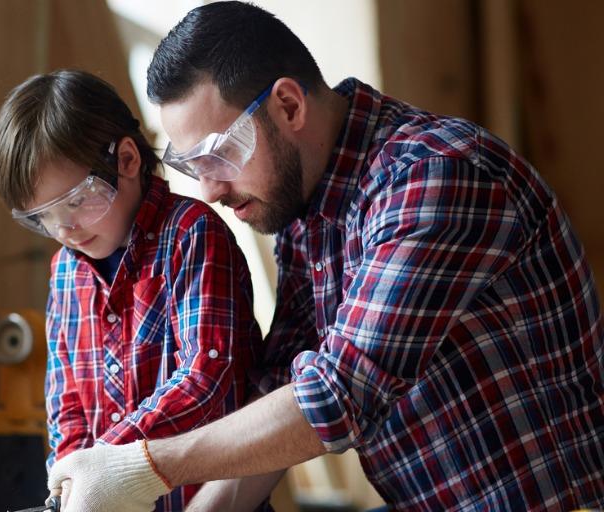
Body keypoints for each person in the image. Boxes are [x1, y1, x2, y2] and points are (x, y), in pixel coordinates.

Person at [46, 2, 604, 511]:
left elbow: (336, 398)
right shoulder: (307, 214)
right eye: (194, 168)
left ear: (288, 105)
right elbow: (279, 389)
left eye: (219, 155)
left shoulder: (433, 174)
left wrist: (143, 467)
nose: (210, 192)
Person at [0, 69, 266, 511]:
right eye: (42, 217)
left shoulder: (191, 235)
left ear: (127, 161)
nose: (65, 229)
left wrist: (103, 464)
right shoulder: (65, 271)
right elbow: (66, 407)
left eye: (77, 202)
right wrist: (71, 482)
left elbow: (205, 380)